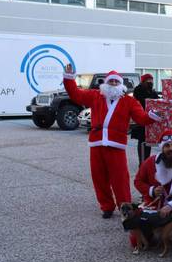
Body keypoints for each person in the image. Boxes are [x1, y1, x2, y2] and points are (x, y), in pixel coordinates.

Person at [63, 64, 162, 218]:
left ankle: (125, 206)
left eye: (116, 82)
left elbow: (141, 118)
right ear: (106, 84)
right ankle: (106, 206)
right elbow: (75, 94)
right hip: (96, 144)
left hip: (116, 145)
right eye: (111, 82)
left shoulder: (128, 101)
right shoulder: (96, 96)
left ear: (121, 85)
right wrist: (69, 78)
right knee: (99, 178)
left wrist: (152, 116)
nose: (114, 84)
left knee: (120, 178)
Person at [125, 131, 172, 248]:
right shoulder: (150, 162)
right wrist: (151, 190)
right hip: (153, 205)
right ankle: (156, 231)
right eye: (167, 146)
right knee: (136, 242)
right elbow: (138, 181)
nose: (171, 149)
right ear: (162, 148)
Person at [131, 73, 160, 166]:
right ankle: (142, 161)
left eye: (151, 80)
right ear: (143, 81)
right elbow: (142, 101)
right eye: (148, 80)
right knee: (142, 140)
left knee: (148, 141)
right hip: (141, 119)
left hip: (149, 120)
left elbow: (158, 100)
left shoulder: (151, 91)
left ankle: (146, 161)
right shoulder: (138, 90)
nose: (150, 82)